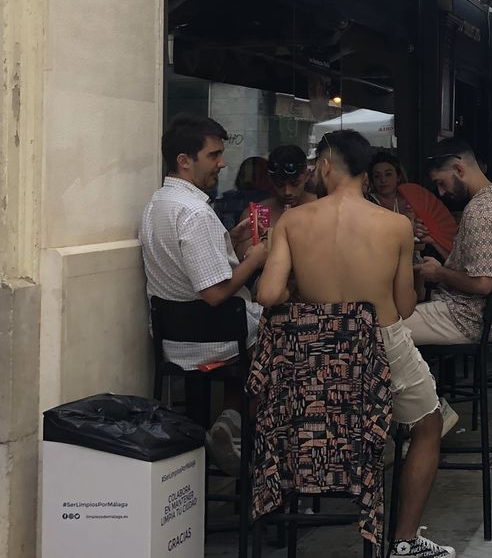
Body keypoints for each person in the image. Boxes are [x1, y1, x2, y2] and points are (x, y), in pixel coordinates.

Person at [256, 131, 455, 558]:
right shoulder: (396, 225)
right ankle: (403, 540)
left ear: (325, 167)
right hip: (380, 346)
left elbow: (268, 295)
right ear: (366, 175)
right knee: (428, 423)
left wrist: (299, 290)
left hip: (317, 358)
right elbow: (403, 307)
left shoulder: (291, 221)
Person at [139, 115, 268, 475]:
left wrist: (230, 237)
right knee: (282, 348)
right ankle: (251, 446)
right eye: (214, 155)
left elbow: (190, 267)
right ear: (185, 160)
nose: (222, 163)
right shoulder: (194, 212)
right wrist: (256, 258)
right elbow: (213, 293)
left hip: (173, 341)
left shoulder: (157, 204)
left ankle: (229, 422)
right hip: (211, 342)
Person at [412, 139, 492, 345]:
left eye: (441, 182)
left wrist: (439, 272)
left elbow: (482, 283)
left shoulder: (479, 211)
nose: (441, 192)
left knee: (383, 333)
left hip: (464, 318)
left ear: (459, 169)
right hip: (487, 318)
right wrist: (435, 242)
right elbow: (473, 267)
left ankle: (420, 378)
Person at [366, 152, 458, 258]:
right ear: (372, 180)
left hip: (411, 260)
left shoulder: (411, 199)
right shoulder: (369, 202)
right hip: (379, 258)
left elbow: (421, 245)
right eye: (377, 176)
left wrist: (417, 232)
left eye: (388, 174)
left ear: (398, 177)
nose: (383, 180)